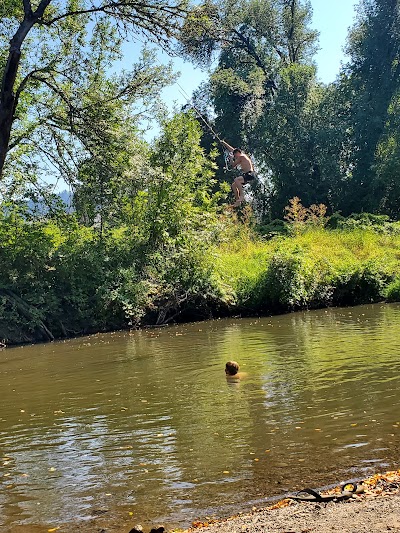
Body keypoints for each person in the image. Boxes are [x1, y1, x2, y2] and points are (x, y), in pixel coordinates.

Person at [221, 141, 257, 207]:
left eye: (235, 155)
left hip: (250, 174)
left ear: (238, 153)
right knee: (234, 185)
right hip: (248, 175)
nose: (235, 157)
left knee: (236, 180)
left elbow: (233, 165)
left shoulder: (241, 157)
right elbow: (232, 149)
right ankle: (237, 201)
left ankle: (242, 195)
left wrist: (231, 158)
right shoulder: (242, 155)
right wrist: (224, 143)